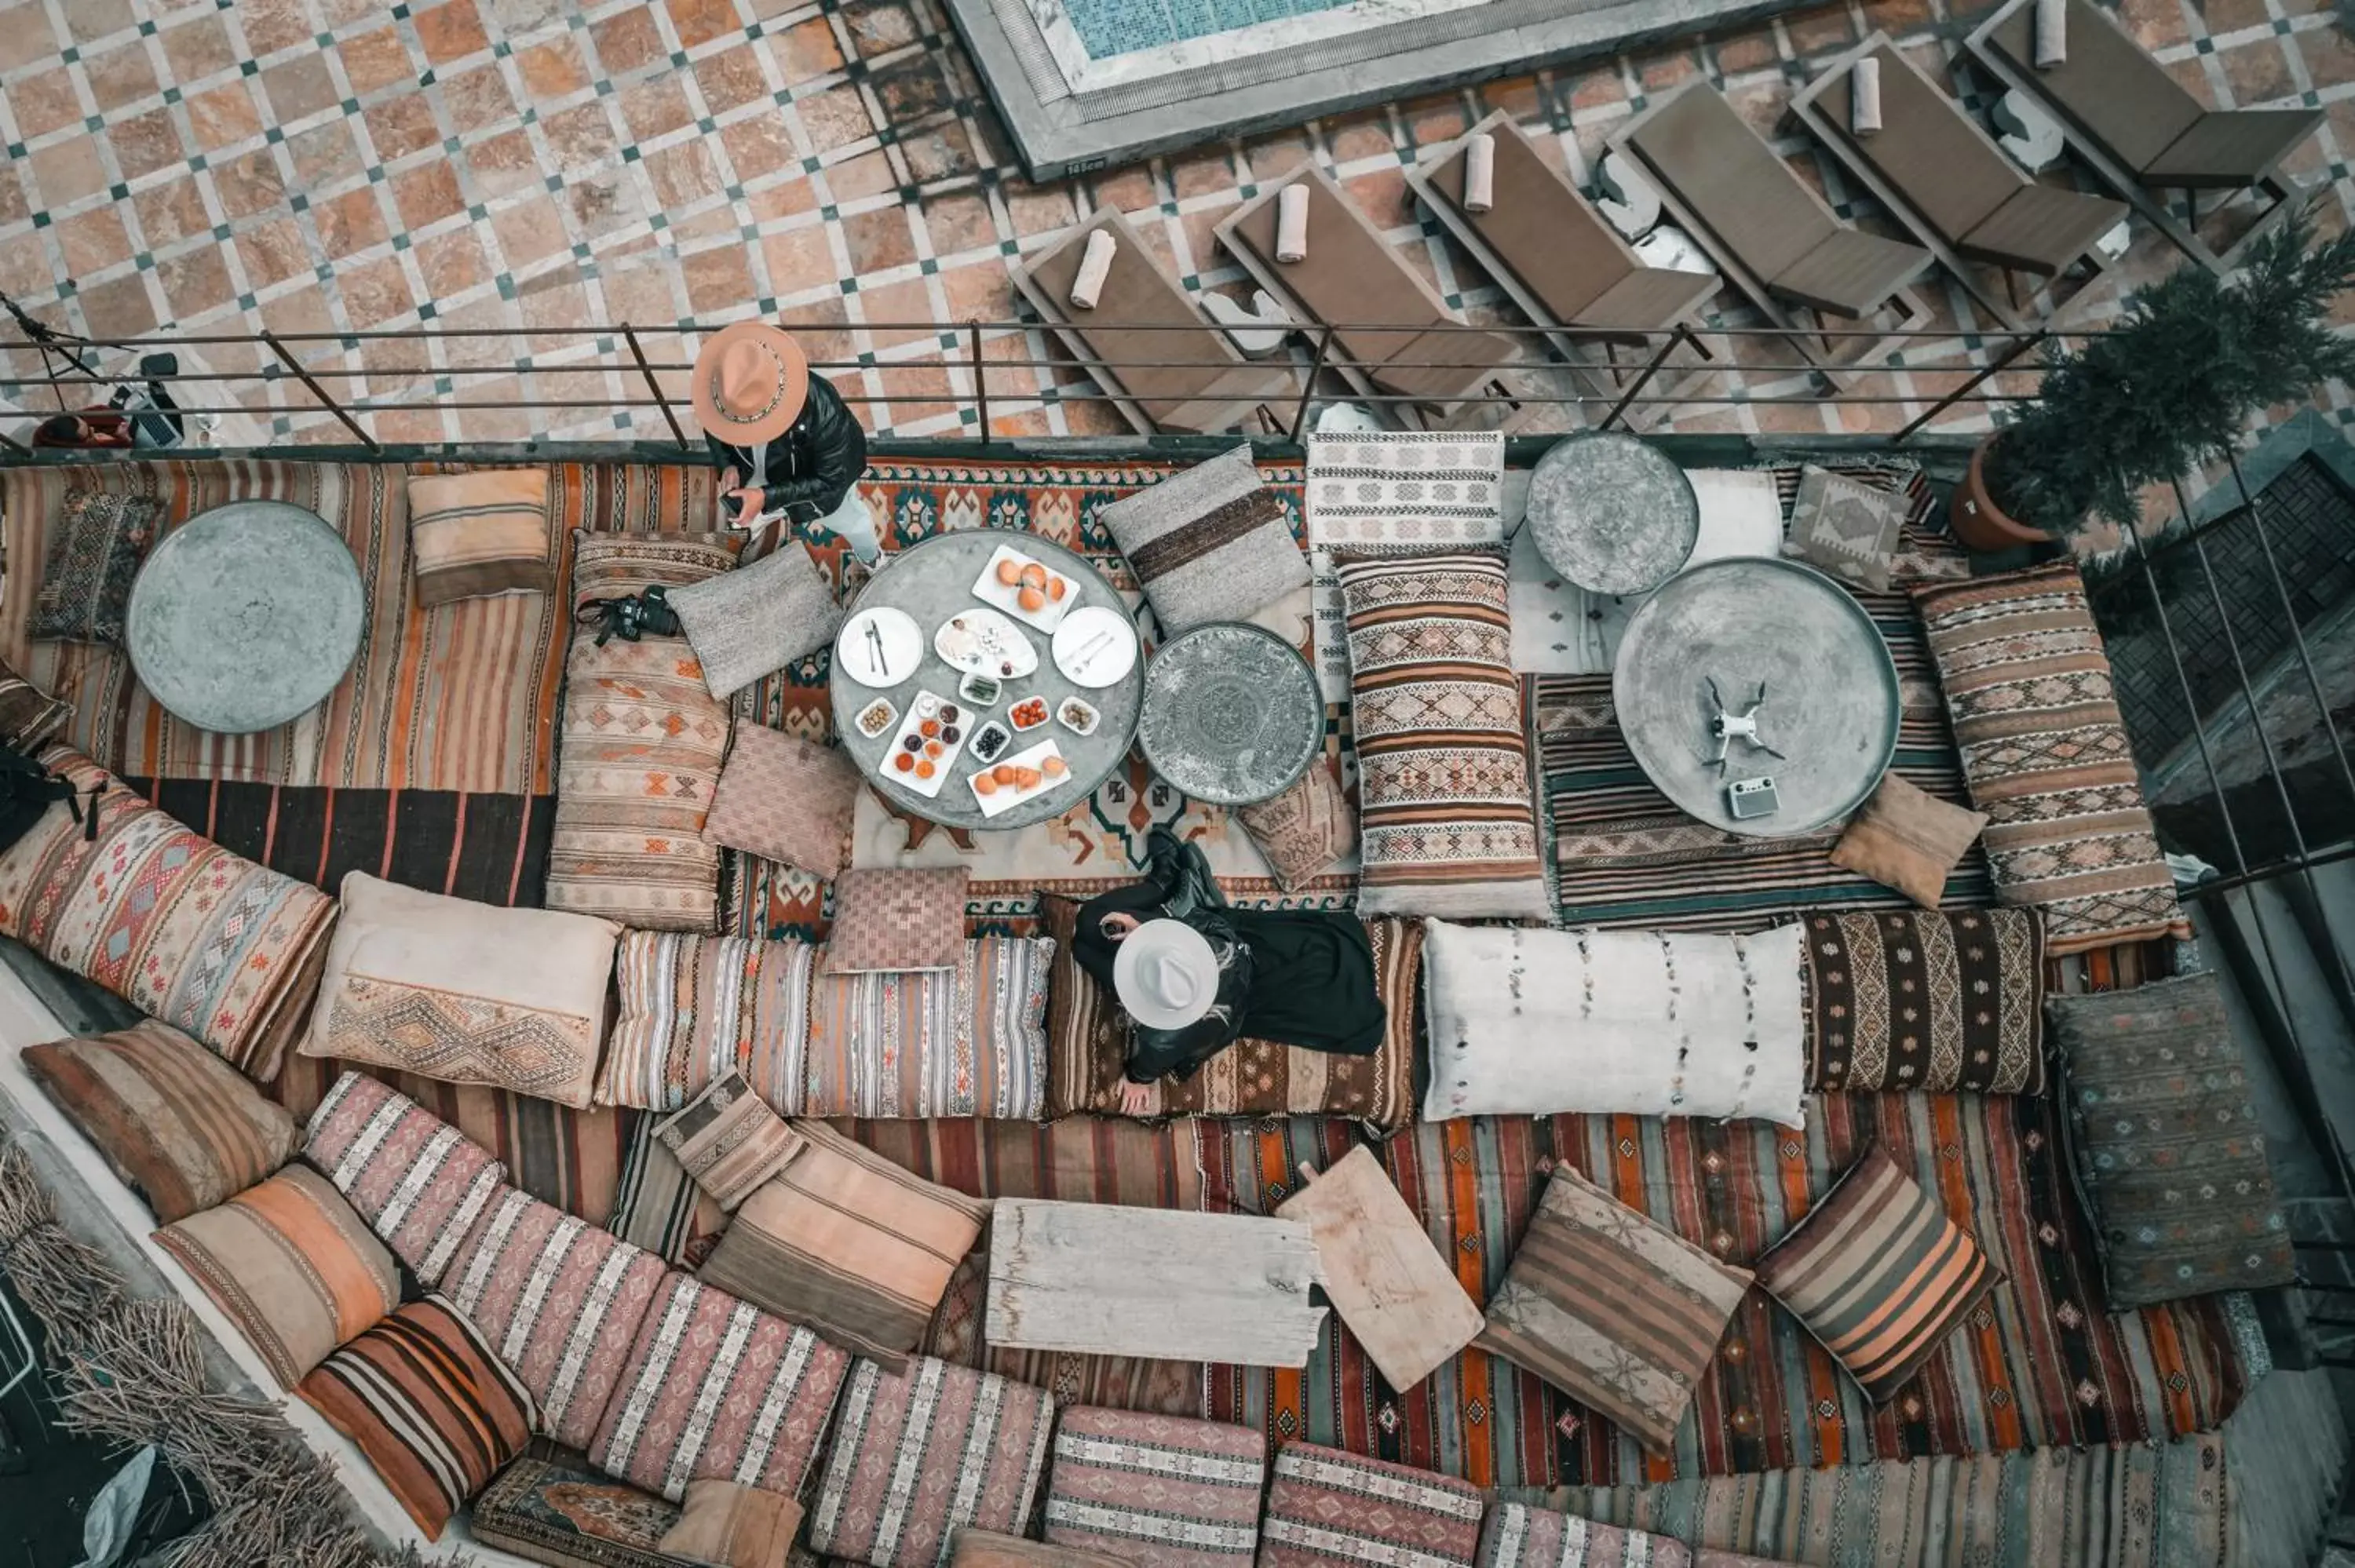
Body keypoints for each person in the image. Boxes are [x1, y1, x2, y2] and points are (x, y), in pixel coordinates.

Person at [1075, 826, 1386, 1115]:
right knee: (1095, 929)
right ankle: (1165, 883)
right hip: (1199, 966)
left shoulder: (1168, 1034)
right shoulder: (1218, 943)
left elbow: (1151, 1059)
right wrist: (1144, 928)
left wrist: (1137, 1079)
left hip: (1161, 985)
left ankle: (1161, 883)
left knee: (1084, 938)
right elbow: (1210, 920)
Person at [689, 321, 876, 559]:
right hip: (758, 475)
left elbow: (829, 479)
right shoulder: (723, 390)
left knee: (854, 524)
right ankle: (753, 536)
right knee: (745, 520)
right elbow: (714, 427)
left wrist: (766, 497)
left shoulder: (823, 411)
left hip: (815, 488)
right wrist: (726, 464)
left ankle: (872, 558)